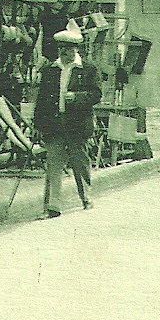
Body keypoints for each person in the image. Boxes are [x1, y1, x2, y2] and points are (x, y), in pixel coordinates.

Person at [33, 21, 102, 217]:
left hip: (77, 125)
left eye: (71, 49)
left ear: (77, 49)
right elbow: (42, 100)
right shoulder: (50, 70)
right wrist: (37, 125)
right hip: (54, 125)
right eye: (63, 49)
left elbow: (96, 95)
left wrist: (77, 97)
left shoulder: (88, 69)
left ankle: (85, 197)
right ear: (59, 50)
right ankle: (52, 207)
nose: (67, 53)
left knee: (79, 163)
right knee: (53, 167)